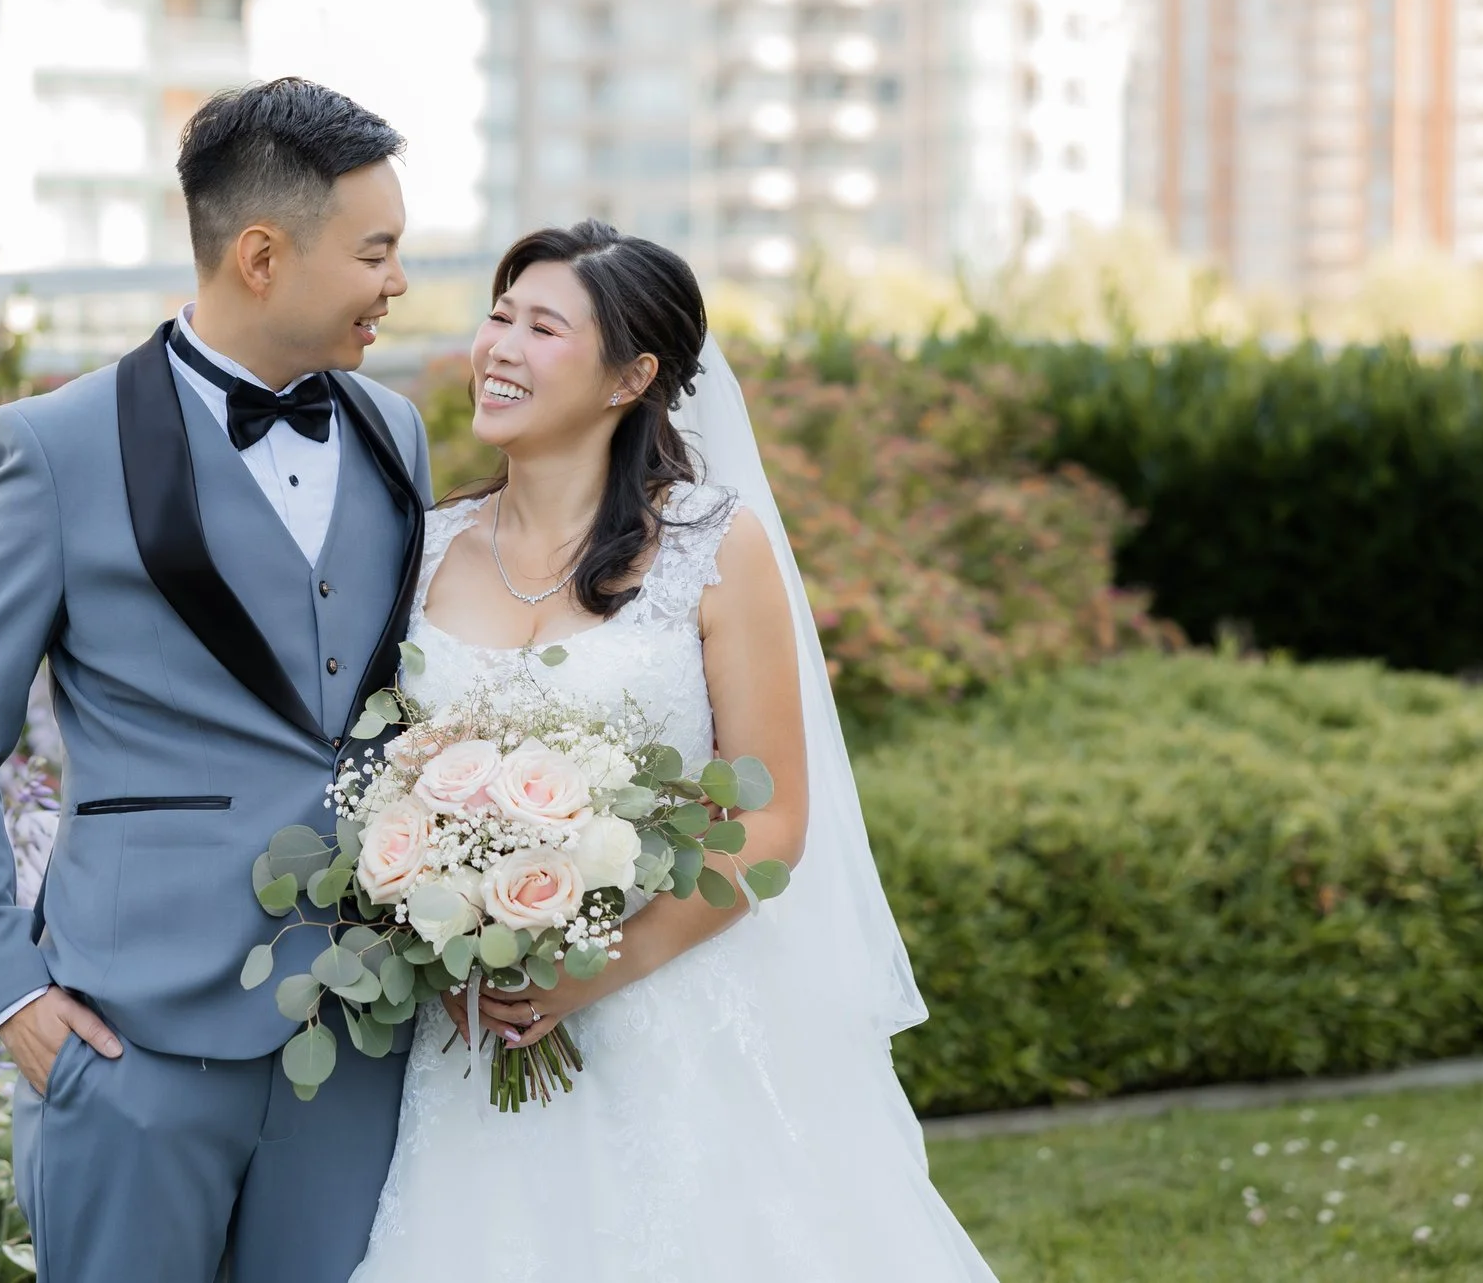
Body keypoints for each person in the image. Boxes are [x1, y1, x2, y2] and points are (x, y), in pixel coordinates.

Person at [349, 221, 997, 1281]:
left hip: (674, 1016)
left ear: (631, 375)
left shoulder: (708, 546)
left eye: (542, 326)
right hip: (467, 1035)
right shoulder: (419, 549)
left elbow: (773, 817)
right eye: (498, 316)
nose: (499, 347)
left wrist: (592, 967)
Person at [0, 78, 434, 1283]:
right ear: (259, 254)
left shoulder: (395, 430)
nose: (397, 282)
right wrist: (7, 994)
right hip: (130, 1038)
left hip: (357, 1029)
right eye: (376, 251)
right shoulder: (57, 443)